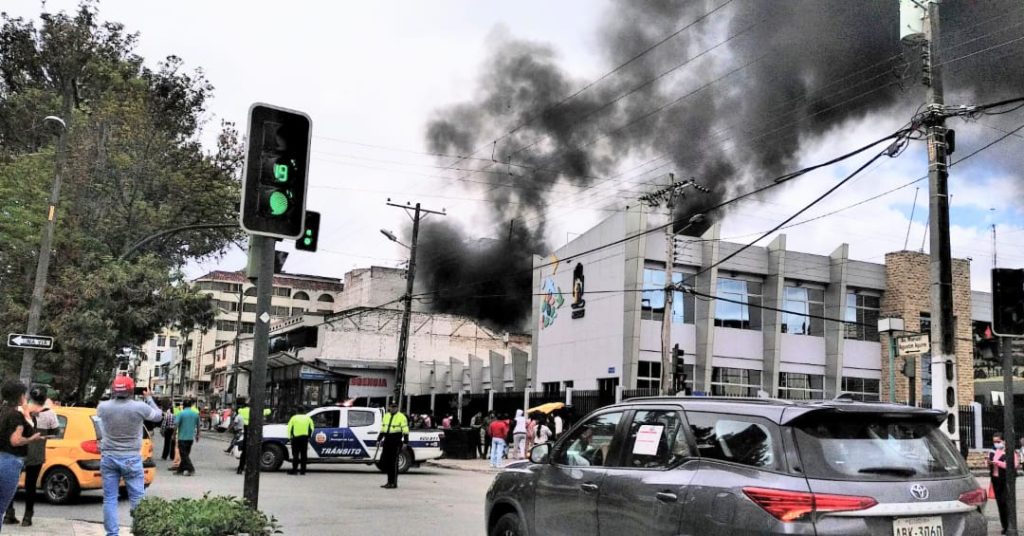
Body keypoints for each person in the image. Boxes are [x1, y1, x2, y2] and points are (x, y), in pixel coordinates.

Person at [96, 377, 162, 536]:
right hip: (131, 458)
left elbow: (100, 427)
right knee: (137, 498)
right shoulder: (139, 407)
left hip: (109, 456)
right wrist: (149, 398)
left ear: (114, 390)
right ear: (131, 390)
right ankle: (140, 531)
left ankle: (112, 534)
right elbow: (158, 416)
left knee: (110, 499)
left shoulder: (103, 407)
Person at [7, 387, 58, 527]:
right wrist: (41, 436)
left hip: (18, 452)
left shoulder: (20, 410)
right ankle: (27, 517)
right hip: (36, 454)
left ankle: (9, 513)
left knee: (12, 483)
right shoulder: (50, 414)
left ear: (30, 397)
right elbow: (55, 433)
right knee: (31, 486)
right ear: (44, 398)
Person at [0, 381, 44, 530]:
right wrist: (31, 439)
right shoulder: (15, 415)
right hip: (8, 461)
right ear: (20, 396)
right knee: (1, 508)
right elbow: (16, 440)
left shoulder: (2, 411)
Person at [988, 432, 1021, 535]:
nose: (996, 444)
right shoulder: (994, 451)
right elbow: (990, 460)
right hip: (996, 479)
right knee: (1000, 503)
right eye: (994, 442)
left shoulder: (1011, 452)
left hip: (1006, 480)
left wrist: (997, 463)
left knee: (1006, 502)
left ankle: (1009, 525)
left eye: (998, 441)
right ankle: (1004, 525)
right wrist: (988, 462)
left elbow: (1013, 465)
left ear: (1004, 441)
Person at [377, 402, 409, 489]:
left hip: (396, 441)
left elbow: (405, 430)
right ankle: (388, 482)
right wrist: (379, 439)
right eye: (392, 407)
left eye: (395, 407)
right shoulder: (386, 416)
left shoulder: (401, 417)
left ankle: (393, 483)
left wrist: (406, 442)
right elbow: (383, 429)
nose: (393, 408)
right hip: (387, 440)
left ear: (397, 408)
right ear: (389, 407)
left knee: (393, 463)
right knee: (386, 462)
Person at [236, 400, 270, 475]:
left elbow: (238, 410)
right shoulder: (256, 411)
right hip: (254, 432)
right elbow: (268, 411)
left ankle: (240, 468)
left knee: (244, 452)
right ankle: (251, 469)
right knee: (254, 452)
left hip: (246, 431)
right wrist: (266, 406)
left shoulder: (241, 411)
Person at [174, 399, 200, 477]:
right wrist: (198, 435)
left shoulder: (181, 413)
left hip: (182, 437)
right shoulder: (195, 414)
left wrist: (173, 434)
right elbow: (198, 426)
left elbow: (176, 425)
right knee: (185, 455)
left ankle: (191, 469)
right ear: (191, 406)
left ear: (183, 405)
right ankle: (180, 470)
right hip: (190, 438)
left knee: (184, 455)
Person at [286, 408, 314, 475]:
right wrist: (309, 436)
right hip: (304, 438)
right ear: (304, 411)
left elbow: (289, 428)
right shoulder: (308, 418)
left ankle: (294, 470)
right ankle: (303, 471)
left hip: (296, 438)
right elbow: (312, 428)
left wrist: (289, 437)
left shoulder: (294, 418)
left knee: (295, 455)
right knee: (304, 455)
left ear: (297, 411)